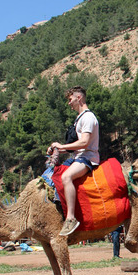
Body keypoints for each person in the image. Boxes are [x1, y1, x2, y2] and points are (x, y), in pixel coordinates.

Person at [47, 86, 100, 236]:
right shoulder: (80, 118)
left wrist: (62, 146)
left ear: (79, 98)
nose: (69, 103)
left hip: (88, 158)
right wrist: (56, 149)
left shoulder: (88, 117)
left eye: (70, 100)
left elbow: (84, 143)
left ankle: (70, 218)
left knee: (66, 177)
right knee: (54, 176)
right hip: (78, 157)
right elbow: (75, 146)